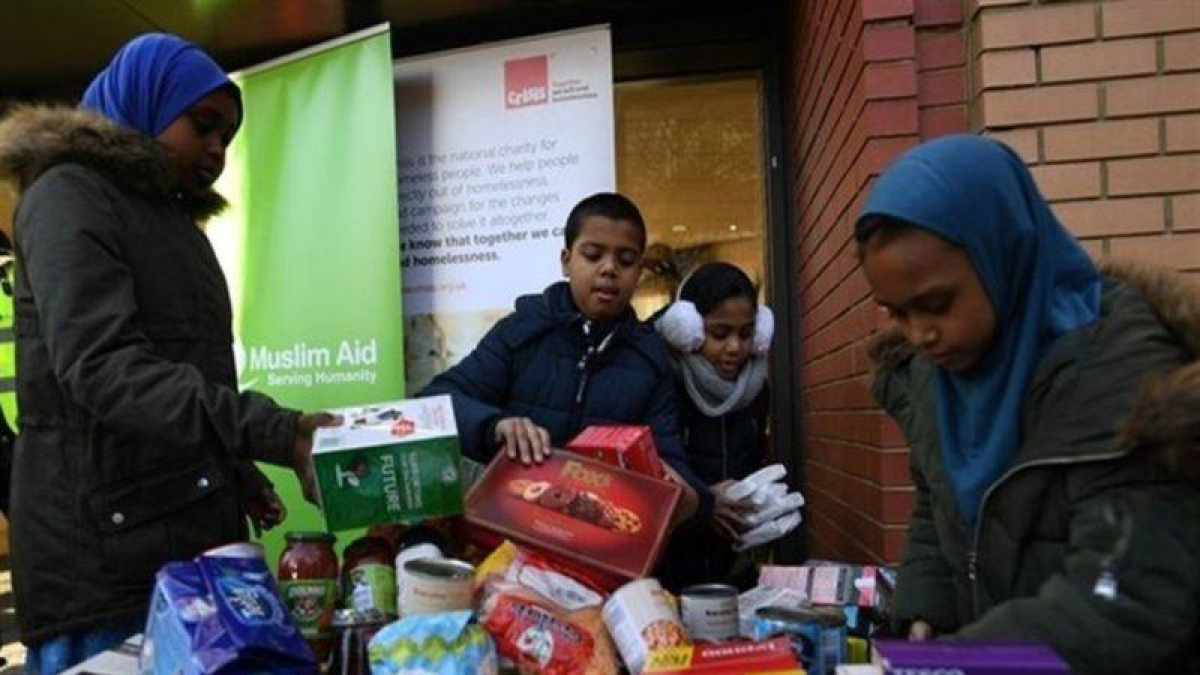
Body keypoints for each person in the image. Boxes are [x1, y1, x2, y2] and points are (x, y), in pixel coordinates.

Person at [0, 33, 334, 674]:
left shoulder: (174, 224)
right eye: (203, 125)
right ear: (144, 102)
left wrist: (235, 469)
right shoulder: (68, 196)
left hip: (177, 554)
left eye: (227, 138)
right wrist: (276, 432)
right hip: (99, 570)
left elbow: (184, 375)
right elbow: (105, 369)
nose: (216, 149)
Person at [858, 134, 1200, 673]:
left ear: (1005, 253)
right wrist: (926, 606)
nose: (919, 334)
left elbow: (1125, 600)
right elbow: (935, 505)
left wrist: (966, 658)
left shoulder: (1125, 376)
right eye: (897, 313)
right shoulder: (939, 378)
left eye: (936, 304)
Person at [421, 192, 702, 520]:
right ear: (566, 260)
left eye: (625, 261)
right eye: (593, 255)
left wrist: (688, 498)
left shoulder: (650, 360)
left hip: (598, 542)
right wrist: (494, 426)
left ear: (639, 271)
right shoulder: (523, 331)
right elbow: (436, 402)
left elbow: (675, 470)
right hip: (508, 528)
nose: (609, 269)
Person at [651, 262, 773, 590]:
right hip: (668, 565)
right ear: (686, 329)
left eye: (746, 333)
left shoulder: (758, 389)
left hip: (733, 561)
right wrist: (703, 502)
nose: (735, 347)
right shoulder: (661, 381)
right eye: (719, 333)